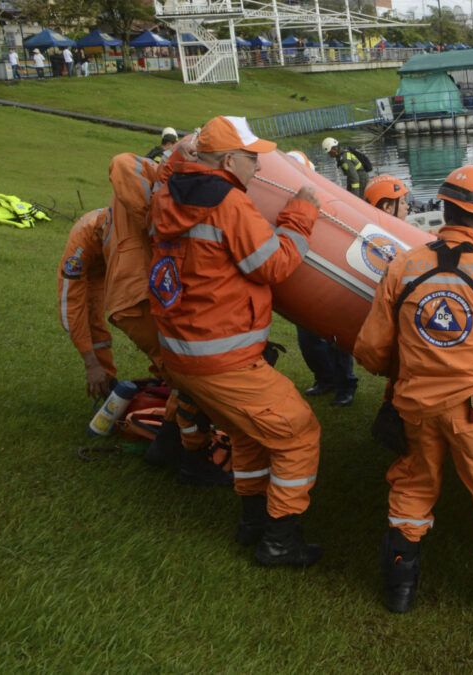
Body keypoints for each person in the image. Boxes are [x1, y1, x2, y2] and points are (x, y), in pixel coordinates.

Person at [352, 165, 473, 621]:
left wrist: (411, 367)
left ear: (444, 207)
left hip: (415, 405)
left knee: (413, 485)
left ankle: (400, 588)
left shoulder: (403, 265)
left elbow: (371, 349)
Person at [149, 115, 324, 567]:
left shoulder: (166, 194)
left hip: (182, 352)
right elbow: (272, 266)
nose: (258, 169)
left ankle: (253, 522)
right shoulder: (229, 204)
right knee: (298, 433)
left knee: (248, 432)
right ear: (228, 160)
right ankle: (281, 539)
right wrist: (301, 213)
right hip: (221, 357)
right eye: (251, 159)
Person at [58, 207, 116, 398]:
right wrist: (90, 364)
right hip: (91, 267)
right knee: (91, 317)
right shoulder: (80, 246)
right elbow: (71, 303)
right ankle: (103, 379)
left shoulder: (131, 225)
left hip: (112, 259)